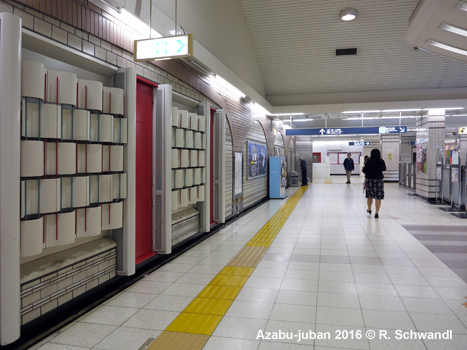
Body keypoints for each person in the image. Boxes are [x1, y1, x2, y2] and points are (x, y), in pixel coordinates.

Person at [362, 148, 386, 218]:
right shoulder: (381, 161)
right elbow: (384, 169)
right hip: (379, 180)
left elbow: (364, 170)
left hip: (370, 180)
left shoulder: (368, 161)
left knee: (370, 196)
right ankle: (377, 213)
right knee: (378, 197)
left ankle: (369, 209)